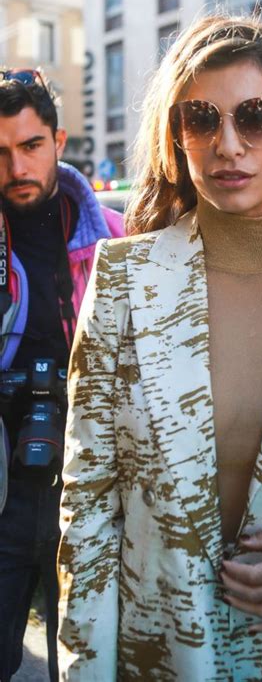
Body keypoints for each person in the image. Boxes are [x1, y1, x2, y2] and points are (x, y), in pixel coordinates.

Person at [57, 14, 262, 681]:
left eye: (257, 116)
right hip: (156, 656)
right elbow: (87, 500)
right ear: (176, 135)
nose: (228, 143)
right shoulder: (123, 276)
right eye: (202, 118)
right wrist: (83, 669)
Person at [0, 69, 124, 682]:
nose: (16, 167)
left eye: (30, 146)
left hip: (92, 491)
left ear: (59, 139)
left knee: (85, 666)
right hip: (1, 486)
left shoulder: (119, 240)